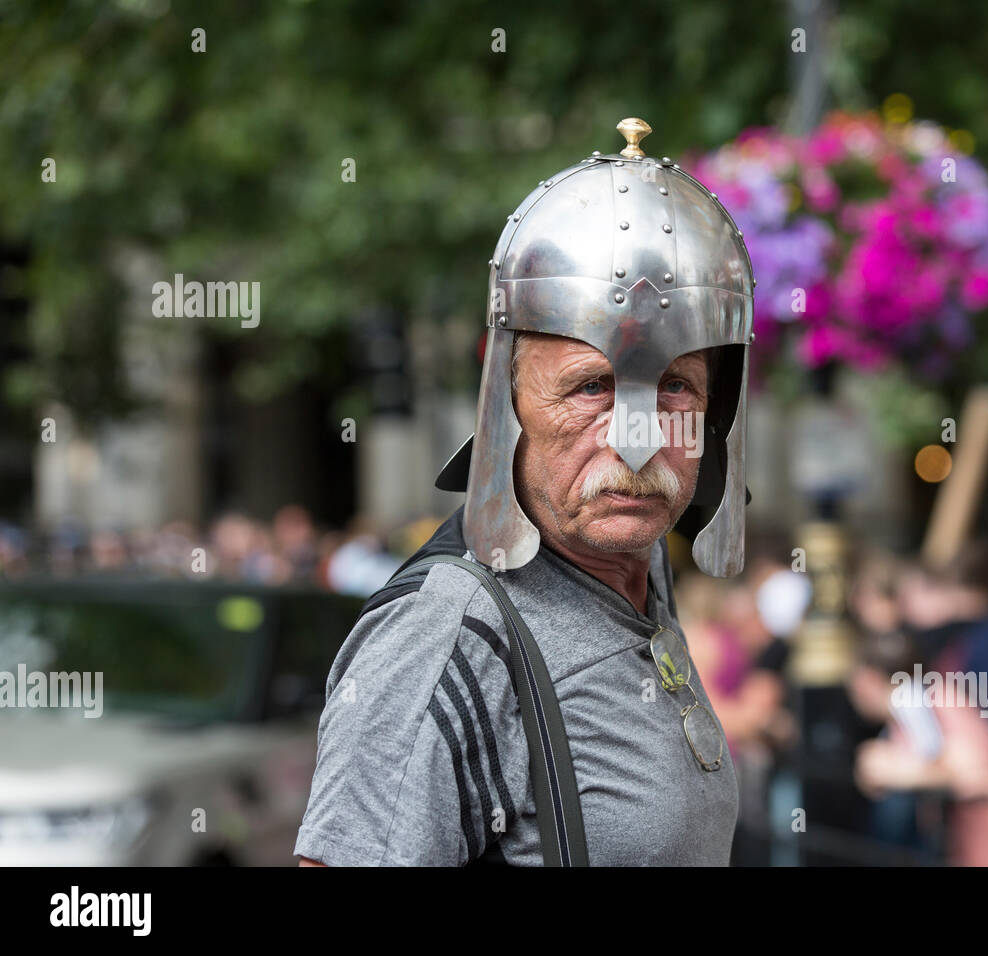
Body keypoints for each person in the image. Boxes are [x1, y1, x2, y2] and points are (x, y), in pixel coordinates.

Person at [294, 118, 750, 866]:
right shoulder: (443, 636)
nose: (634, 442)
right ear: (509, 407)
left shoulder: (639, 566)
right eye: (589, 388)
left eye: (675, 389)